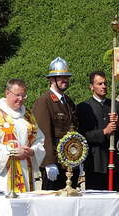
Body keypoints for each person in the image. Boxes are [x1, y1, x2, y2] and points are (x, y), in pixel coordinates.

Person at [0, 79, 45, 193]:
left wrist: (32, 151)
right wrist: (12, 152)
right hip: (1, 176)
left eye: (24, 95)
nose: (21, 99)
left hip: (24, 170)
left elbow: (39, 138)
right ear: (7, 93)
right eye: (17, 95)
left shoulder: (27, 115)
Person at [32, 57, 78, 190]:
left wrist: (77, 158)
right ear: (52, 80)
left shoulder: (68, 101)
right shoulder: (44, 101)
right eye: (61, 77)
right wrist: (48, 162)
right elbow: (43, 134)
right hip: (55, 163)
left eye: (67, 77)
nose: (65, 80)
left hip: (69, 160)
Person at [77, 71, 119, 191]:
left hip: (114, 163)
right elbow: (82, 136)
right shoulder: (83, 107)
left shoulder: (116, 106)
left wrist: (118, 124)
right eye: (99, 84)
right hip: (95, 163)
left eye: (105, 83)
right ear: (91, 87)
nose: (104, 86)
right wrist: (104, 132)